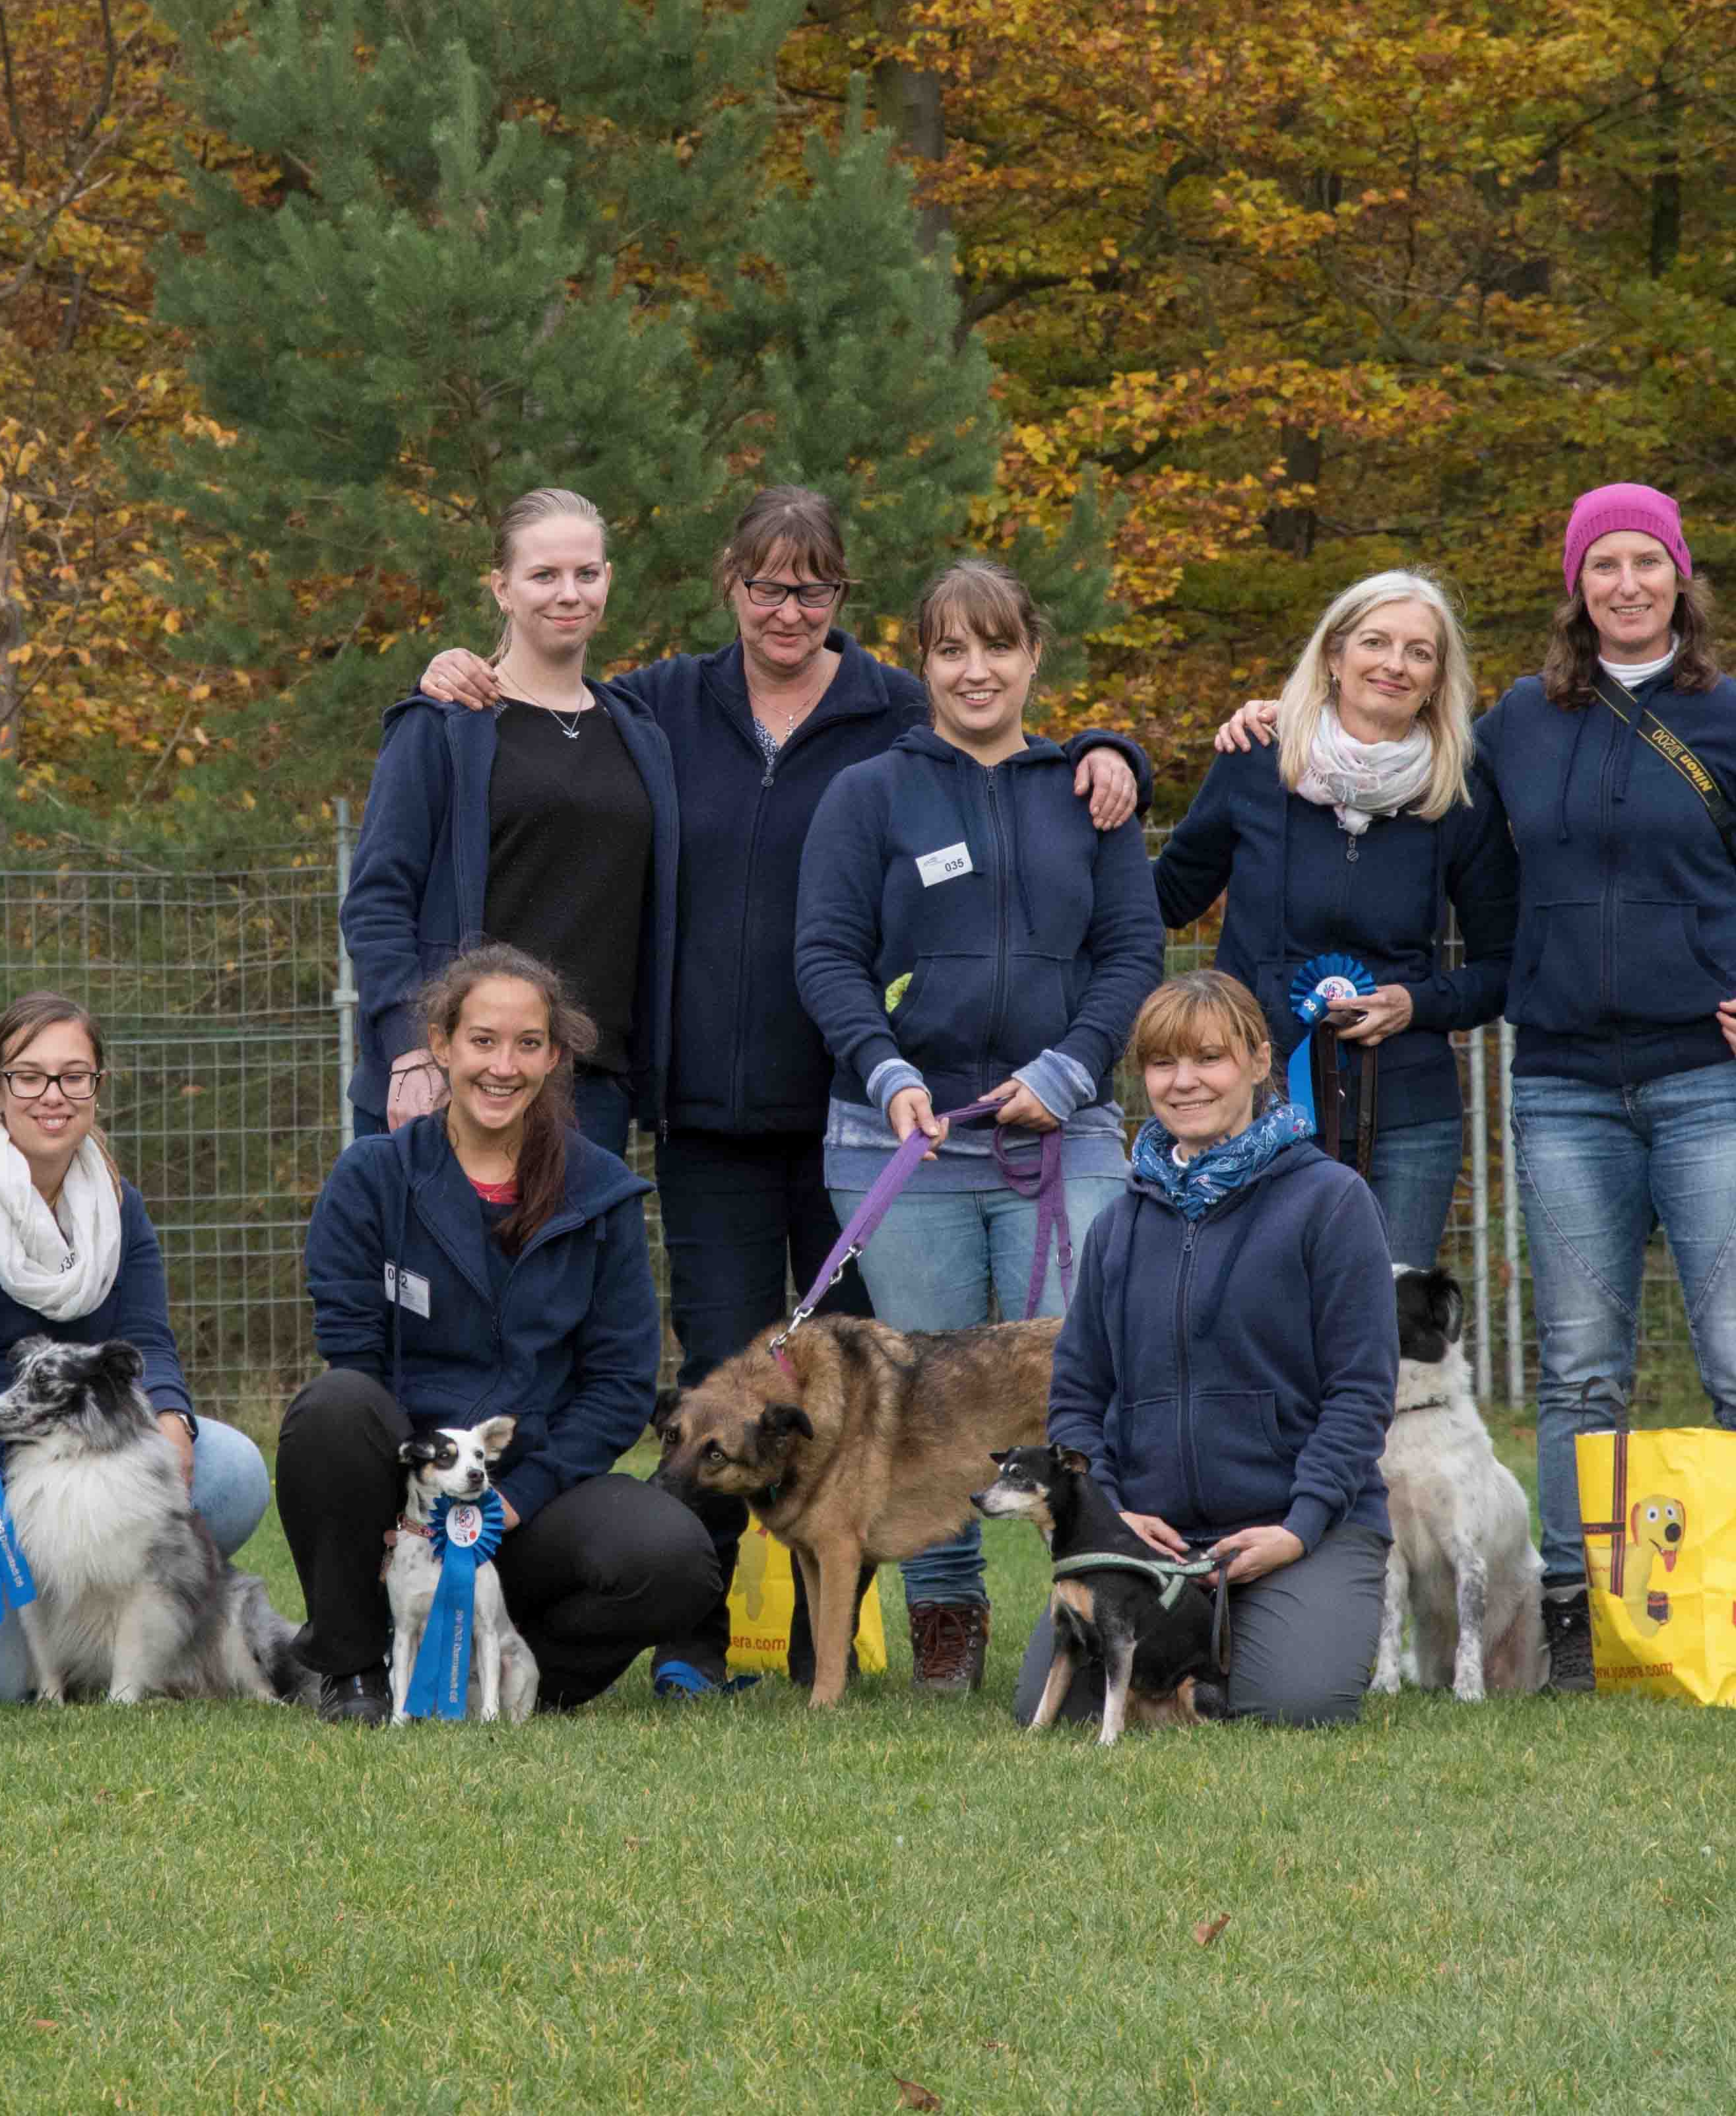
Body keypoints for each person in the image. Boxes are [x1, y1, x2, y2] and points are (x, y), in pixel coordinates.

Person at [414, 487, 1145, 1694]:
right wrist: (456, 672)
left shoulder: (892, 714)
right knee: (721, 1372)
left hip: (863, 1113)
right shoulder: (660, 703)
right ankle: (696, 1645)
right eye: (766, 584)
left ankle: (853, 1645)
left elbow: (1017, 745)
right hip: (717, 1099)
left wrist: (1122, 753)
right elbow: (551, 700)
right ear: (729, 585)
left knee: (878, 1402)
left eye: (812, 587)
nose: (787, 608)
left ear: (843, 601)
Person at [1215, 484, 1736, 1690]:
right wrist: (1274, 716)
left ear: (1678, 578)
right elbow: (1400, 761)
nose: (1622, 584)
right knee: (1579, 1365)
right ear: (1574, 583)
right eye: (1599, 565)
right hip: (1560, 1084)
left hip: (1715, 1075)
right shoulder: (1515, 722)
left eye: (1643, 564)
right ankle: (1573, 1617)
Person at [790, 558, 1163, 1692]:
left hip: (1065, 1134)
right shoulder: (869, 793)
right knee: (924, 1406)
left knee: (1086, 1378)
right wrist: (885, 1064)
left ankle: (1103, 1609)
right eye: (949, 649)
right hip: (902, 1144)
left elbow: (1130, 952)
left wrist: (1067, 1065)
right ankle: (944, 1627)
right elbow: (824, 954)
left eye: (995, 645)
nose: (974, 669)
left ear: (1031, 654)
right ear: (923, 661)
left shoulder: (1088, 791)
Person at [279, 944, 722, 1723]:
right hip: (410, 1493)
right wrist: (413, 1501)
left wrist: (516, 1498)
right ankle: (353, 1669)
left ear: (555, 1056)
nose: (502, 1066)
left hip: (531, 1492)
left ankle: (516, 1672)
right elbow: (356, 1361)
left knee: (675, 1559)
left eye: (527, 1044)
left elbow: (619, 1384)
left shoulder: (603, 1196)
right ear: (442, 1045)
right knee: (332, 1408)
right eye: (482, 1040)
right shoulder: (371, 1181)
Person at [1016, 970, 1397, 1727]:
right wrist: (1115, 1515)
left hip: (1297, 1524)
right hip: (1151, 1536)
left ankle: (1266, 1624)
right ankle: (1201, 1637)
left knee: (1294, 1705)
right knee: (1050, 1707)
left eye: (1209, 1058)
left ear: (1260, 1062)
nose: (1184, 1082)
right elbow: (1077, 1397)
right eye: (1163, 1063)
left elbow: (1361, 1392)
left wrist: (1300, 1525)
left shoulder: (1332, 1202)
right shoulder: (1118, 1226)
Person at [0, 992, 274, 1700]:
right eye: (29, 1076)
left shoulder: (116, 1202)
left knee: (235, 1470)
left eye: (74, 1076)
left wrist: (173, 1421)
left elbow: (148, 1337)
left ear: (97, 1085)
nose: (52, 1096)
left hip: (77, 1466)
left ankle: (121, 1618)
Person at [1153, 569, 1516, 1267]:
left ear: (1439, 677)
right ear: (1333, 655)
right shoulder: (1255, 758)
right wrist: (1109, 770)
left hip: (1407, 1114)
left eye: (1419, 651)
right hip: (1251, 1105)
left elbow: (1502, 966)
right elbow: (1165, 897)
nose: (1394, 664)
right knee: (1256, 1322)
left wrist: (1418, 1003)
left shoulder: (1462, 792)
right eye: (1375, 642)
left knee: (1383, 1333)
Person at [340, 489, 678, 1156]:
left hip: (589, 1093)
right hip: (456, 1082)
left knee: (568, 1264)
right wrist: (412, 1048)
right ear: (502, 588)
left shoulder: (640, 734)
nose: (569, 594)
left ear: (608, 578)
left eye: (586, 573)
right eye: (543, 575)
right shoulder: (442, 726)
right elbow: (378, 903)